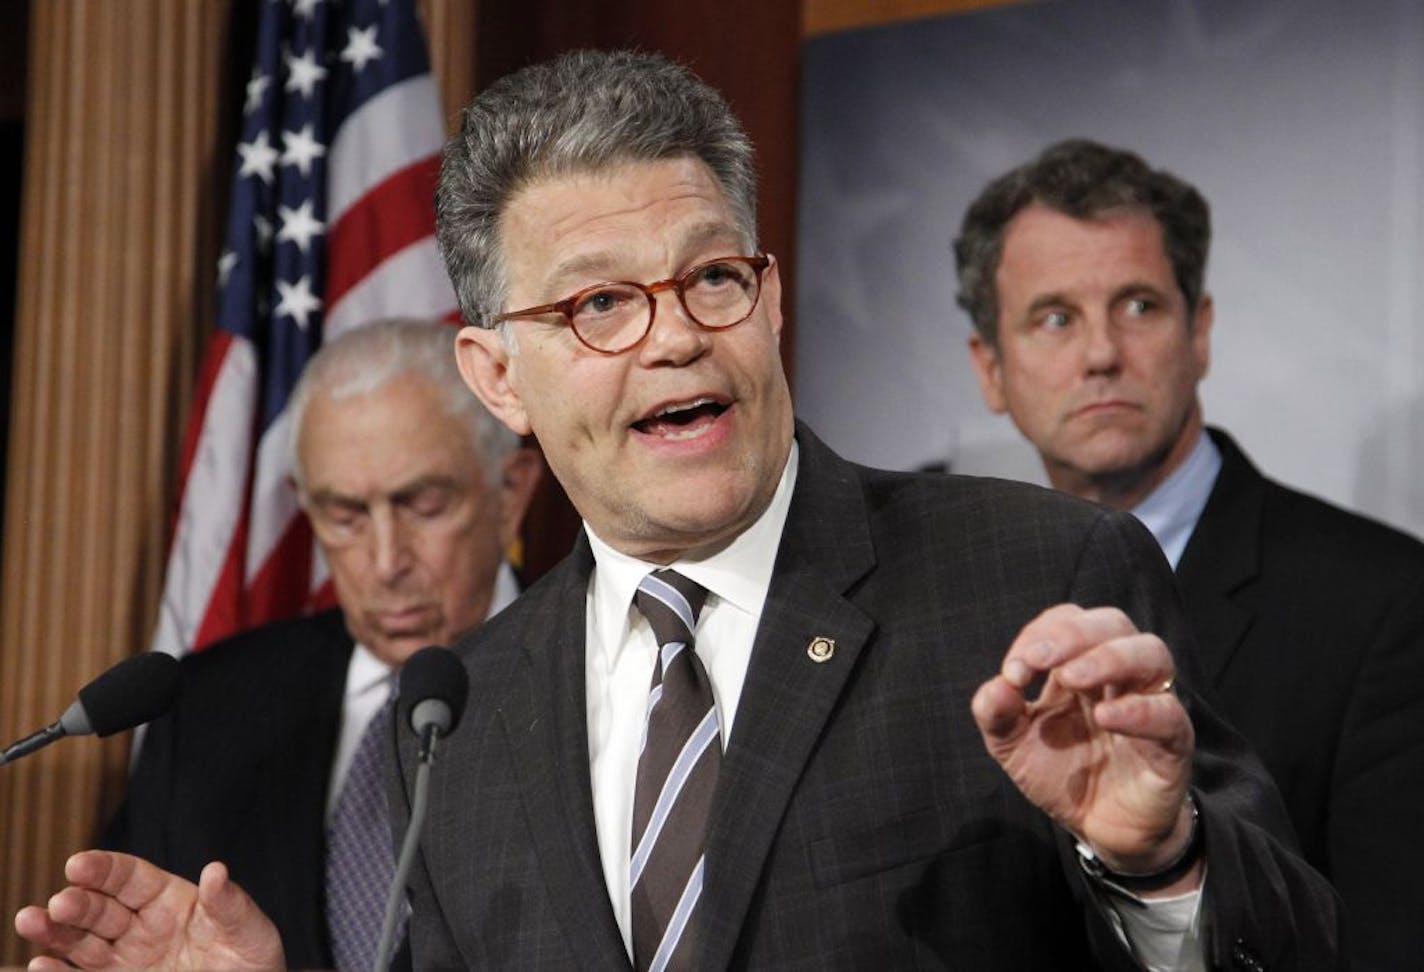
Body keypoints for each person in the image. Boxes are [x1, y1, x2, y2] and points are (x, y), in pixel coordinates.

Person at [18, 53, 1339, 972]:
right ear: (497, 377)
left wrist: (1159, 865)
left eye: (711, 277)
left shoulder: (1032, 576)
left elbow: (1292, 947)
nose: (675, 342)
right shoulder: (456, 716)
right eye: (597, 304)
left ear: (768, 300)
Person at [956, 138, 1424, 969]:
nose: (1101, 353)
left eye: (1138, 306)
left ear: (1198, 331)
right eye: (1055, 317)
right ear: (991, 369)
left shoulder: (1385, 602)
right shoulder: (945, 608)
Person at [99, 318, 542, 971]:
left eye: (422, 505)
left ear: (510, 493)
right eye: (345, 516)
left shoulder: (599, 678)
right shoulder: (206, 710)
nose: (386, 562)